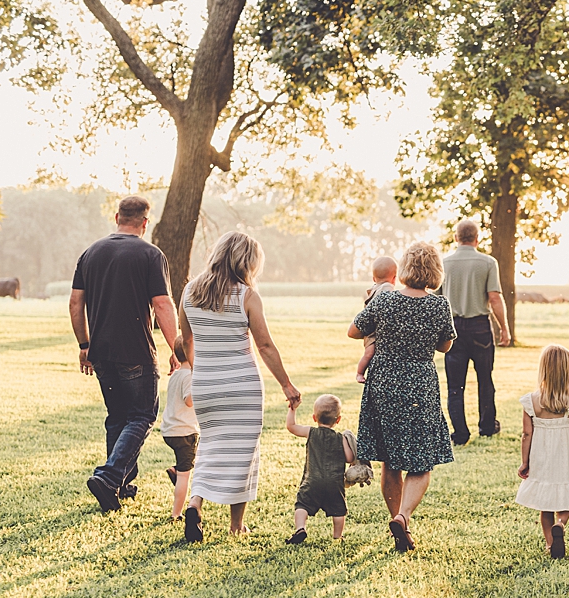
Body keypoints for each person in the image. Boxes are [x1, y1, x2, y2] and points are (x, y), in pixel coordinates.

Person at [179, 231, 301, 541]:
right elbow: (265, 345)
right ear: (247, 262)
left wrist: (199, 369)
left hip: (206, 383)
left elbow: (187, 339)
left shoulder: (189, 291)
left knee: (208, 446)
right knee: (243, 453)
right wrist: (286, 385)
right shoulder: (247, 295)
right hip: (241, 385)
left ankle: (195, 503)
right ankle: (237, 525)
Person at [70, 195, 179, 513]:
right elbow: (162, 304)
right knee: (142, 416)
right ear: (146, 222)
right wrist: (177, 349)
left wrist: (84, 345)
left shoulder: (91, 253)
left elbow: (76, 303)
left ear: (117, 217)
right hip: (136, 351)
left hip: (101, 352)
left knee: (117, 416)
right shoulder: (150, 254)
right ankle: (108, 477)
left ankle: (121, 484)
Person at [348, 241, 457, 552]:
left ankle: (396, 520)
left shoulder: (385, 302)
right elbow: (445, 346)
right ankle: (403, 517)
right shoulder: (439, 305)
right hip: (420, 384)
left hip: (383, 381)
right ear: (435, 271)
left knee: (390, 461)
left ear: (405, 269)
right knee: (422, 461)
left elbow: (353, 331)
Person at [516, 345, 569, 559]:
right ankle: (561, 524)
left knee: (545, 505)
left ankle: (549, 544)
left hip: (541, 459)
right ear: (567, 371)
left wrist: (524, 462)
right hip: (565, 460)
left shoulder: (532, 401)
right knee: (566, 500)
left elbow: (526, 435)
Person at [440, 219, 511, 445]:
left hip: (453, 329)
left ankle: (460, 433)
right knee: (485, 379)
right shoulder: (488, 262)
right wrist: (504, 328)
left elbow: (437, 300)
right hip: (480, 327)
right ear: (477, 238)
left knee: (455, 385)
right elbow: (494, 298)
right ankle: (487, 427)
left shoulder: (444, 263)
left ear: (456, 237)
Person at [285, 394, 356, 544]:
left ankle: (300, 528)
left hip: (312, 481)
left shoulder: (311, 432)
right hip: (334, 483)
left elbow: (291, 427)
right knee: (338, 510)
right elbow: (349, 458)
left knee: (302, 505)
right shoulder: (340, 438)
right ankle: (338, 536)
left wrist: (292, 409)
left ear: (314, 418)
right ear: (338, 420)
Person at [162, 335, 198, 521]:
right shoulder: (190, 376)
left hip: (170, 431)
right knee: (186, 475)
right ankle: (176, 514)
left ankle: (177, 470)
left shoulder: (176, 373)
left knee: (193, 461)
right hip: (184, 432)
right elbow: (189, 401)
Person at [356, 257, 398, 383]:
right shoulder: (387, 288)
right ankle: (359, 373)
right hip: (371, 331)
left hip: (374, 327)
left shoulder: (375, 288)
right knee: (369, 353)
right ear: (394, 278)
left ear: (374, 278)